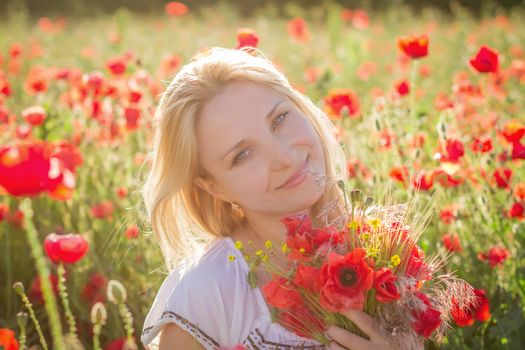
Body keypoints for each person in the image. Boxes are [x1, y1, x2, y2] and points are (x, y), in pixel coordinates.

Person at [139, 46, 416, 350]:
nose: (284, 157)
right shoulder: (207, 291)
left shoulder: (383, 248)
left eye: (280, 119)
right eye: (243, 155)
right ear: (214, 187)